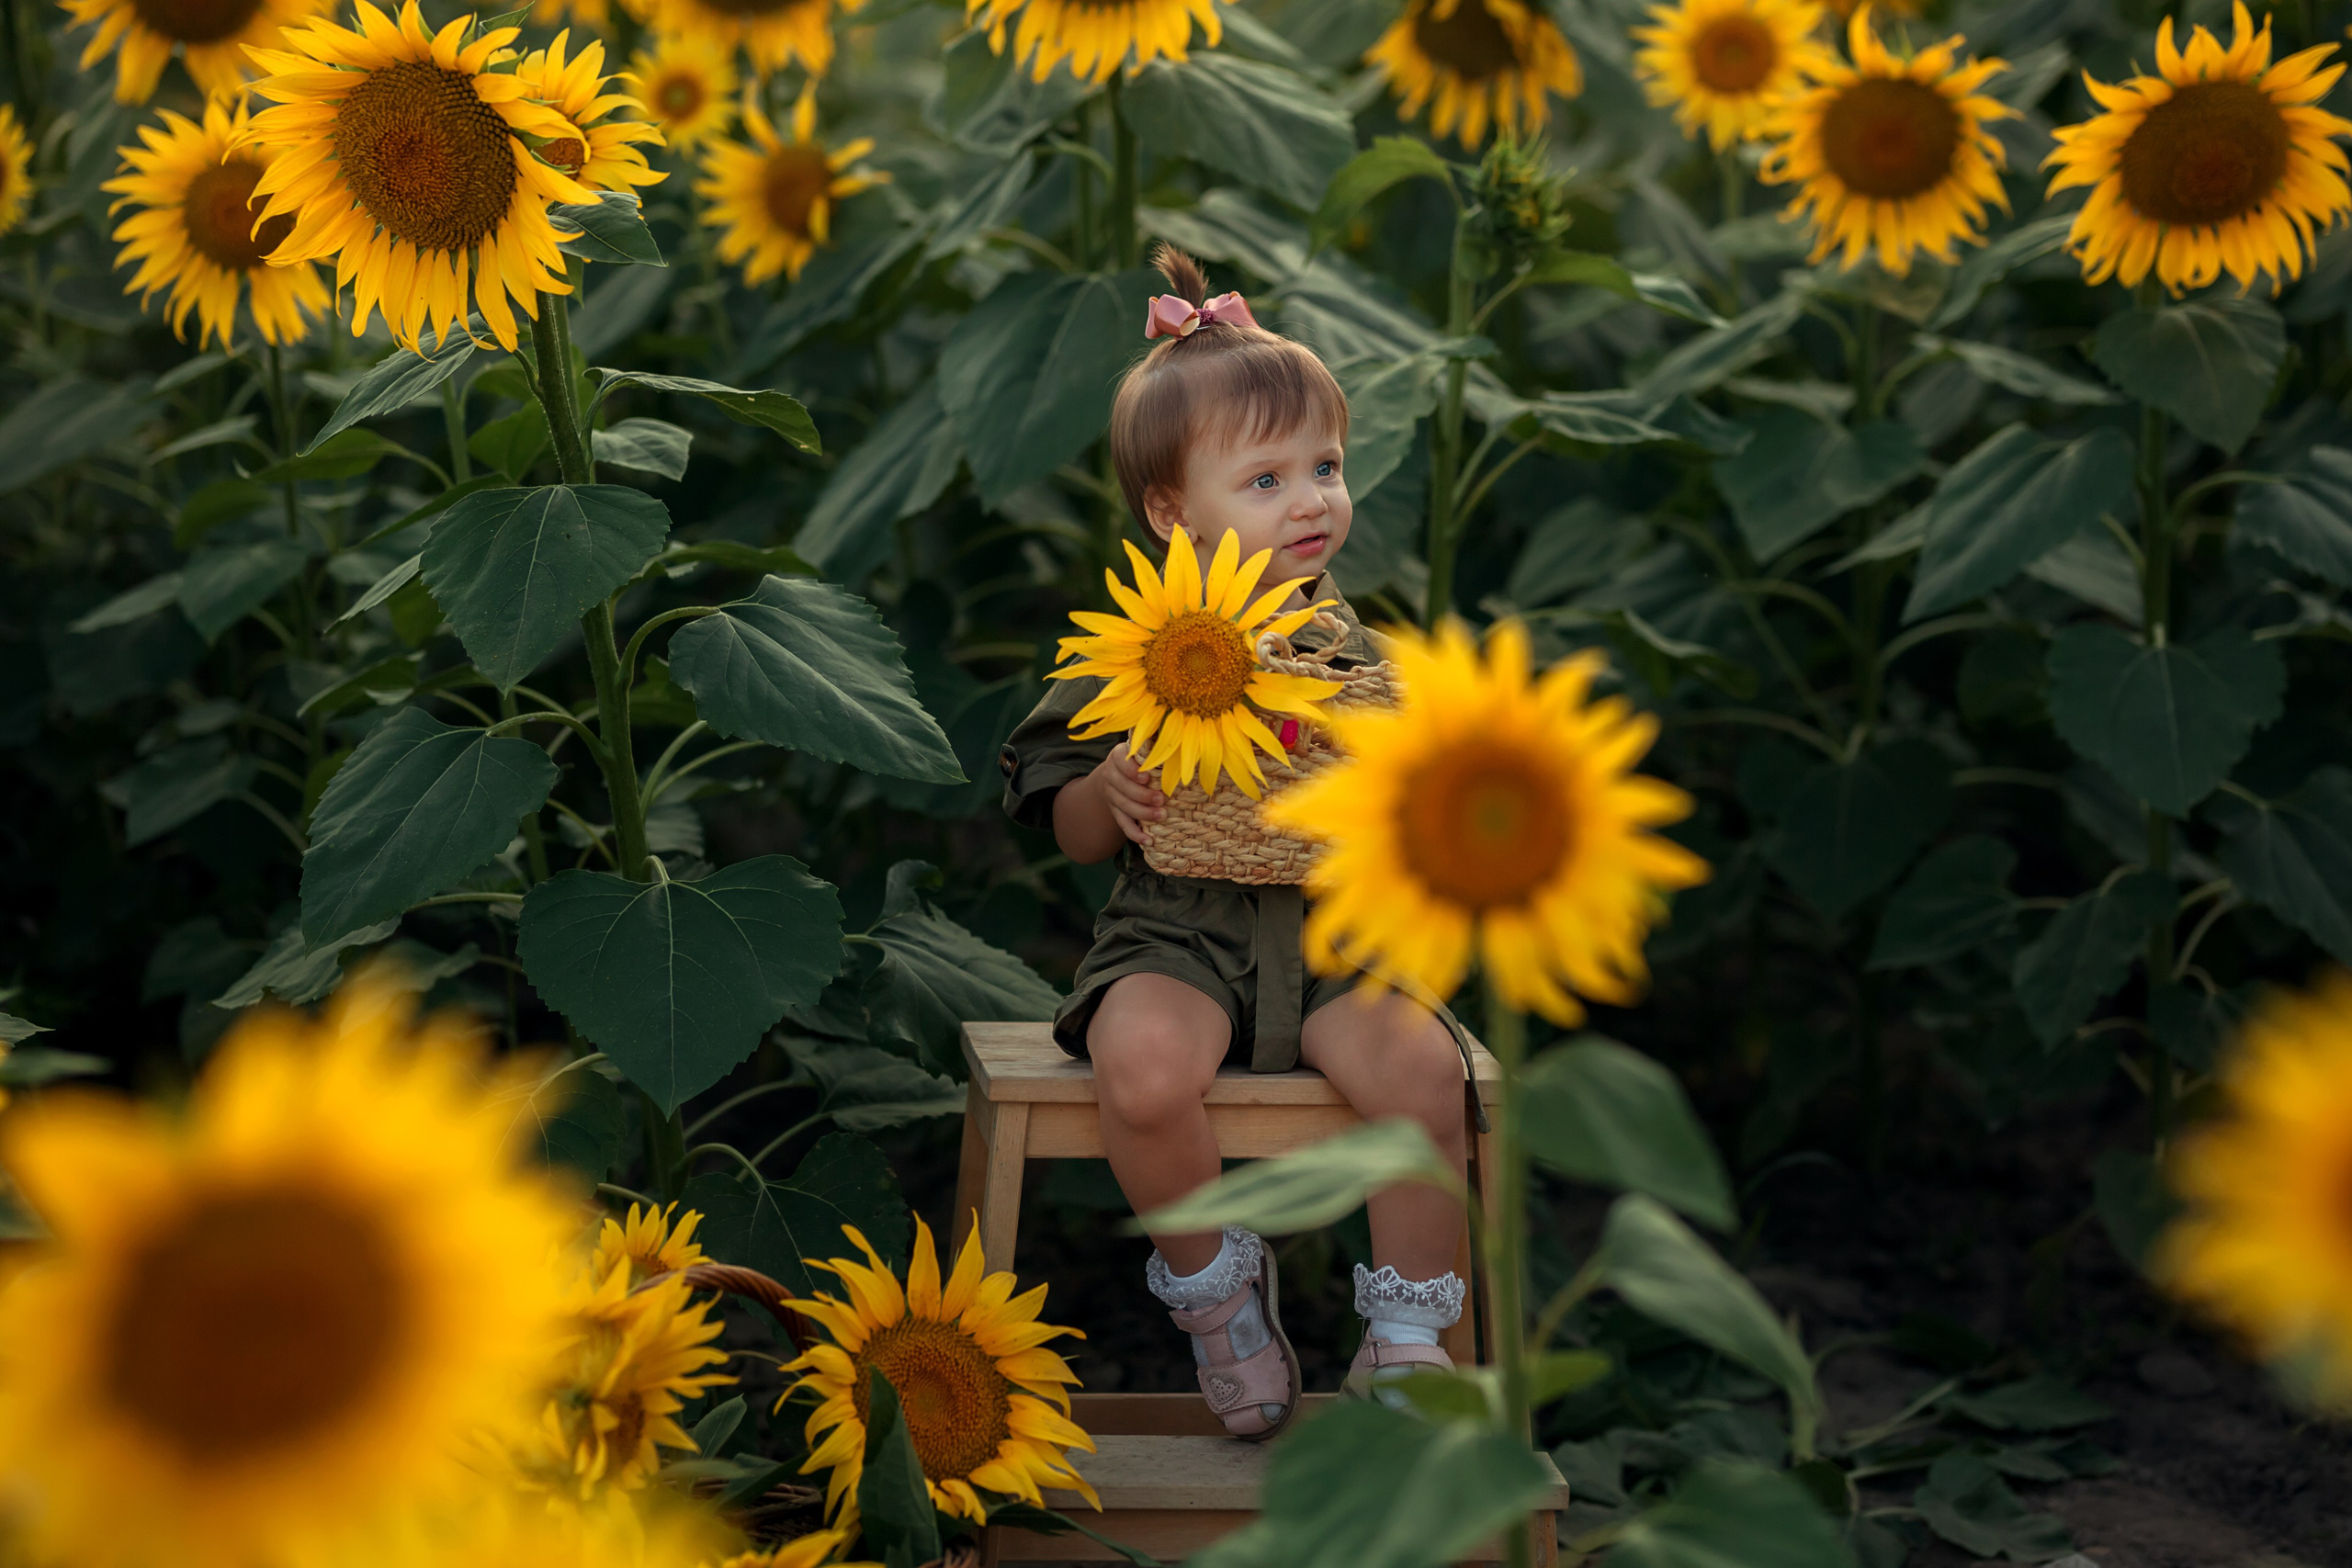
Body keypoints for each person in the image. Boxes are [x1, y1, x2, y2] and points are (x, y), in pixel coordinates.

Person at [997, 244, 1474, 1440]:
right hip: (1179, 932)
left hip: (1335, 940)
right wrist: (1111, 792)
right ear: (1171, 512)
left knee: (1425, 1079)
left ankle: (1411, 1340)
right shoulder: (1131, 648)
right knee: (1145, 1073)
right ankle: (1221, 1303)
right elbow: (1063, 833)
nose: (1313, 500)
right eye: (1266, 480)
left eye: (1325, 466)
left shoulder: (1348, 648)